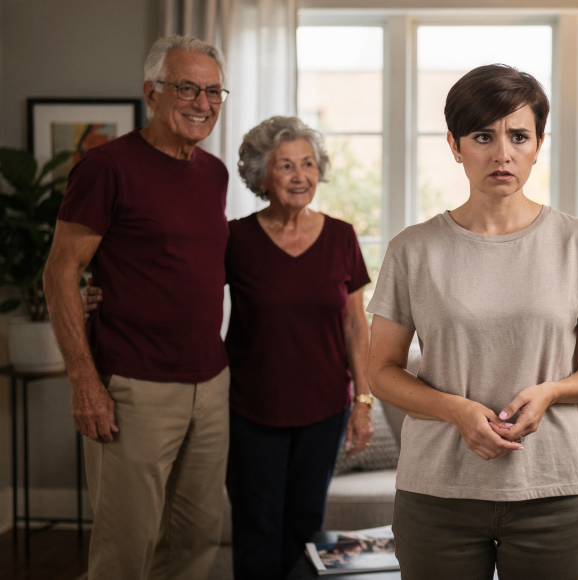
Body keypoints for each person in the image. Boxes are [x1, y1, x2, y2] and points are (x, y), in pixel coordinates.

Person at [366, 64, 578, 580]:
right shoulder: (412, 249)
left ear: (538, 143)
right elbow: (382, 371)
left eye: (518, 135)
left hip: (554, 488)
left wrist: (551, 392)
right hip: (437, 493)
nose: (502, 153)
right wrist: (454, 409)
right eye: (483, 136)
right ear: (455, 145)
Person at [43, 35, 232, 580]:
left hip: (210, 380)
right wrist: (84, 381)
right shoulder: (106, 168)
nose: (203, 102)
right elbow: (59, 273)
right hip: (134, 384)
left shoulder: (213, 172)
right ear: (152, 92)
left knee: (196, 540)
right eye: (187, 88)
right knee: (126, 547)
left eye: (214, 91)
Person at [225, 116, 373, 579]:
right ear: (260, 175)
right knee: (257, 527)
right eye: (285, 165)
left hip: (324, 409)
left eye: (308, 164)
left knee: (305, 527)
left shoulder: (341, 237)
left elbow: (355, 325)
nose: (300, 176)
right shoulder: (236, 239)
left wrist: (363, 400)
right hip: (252, 408)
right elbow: (188, 294)